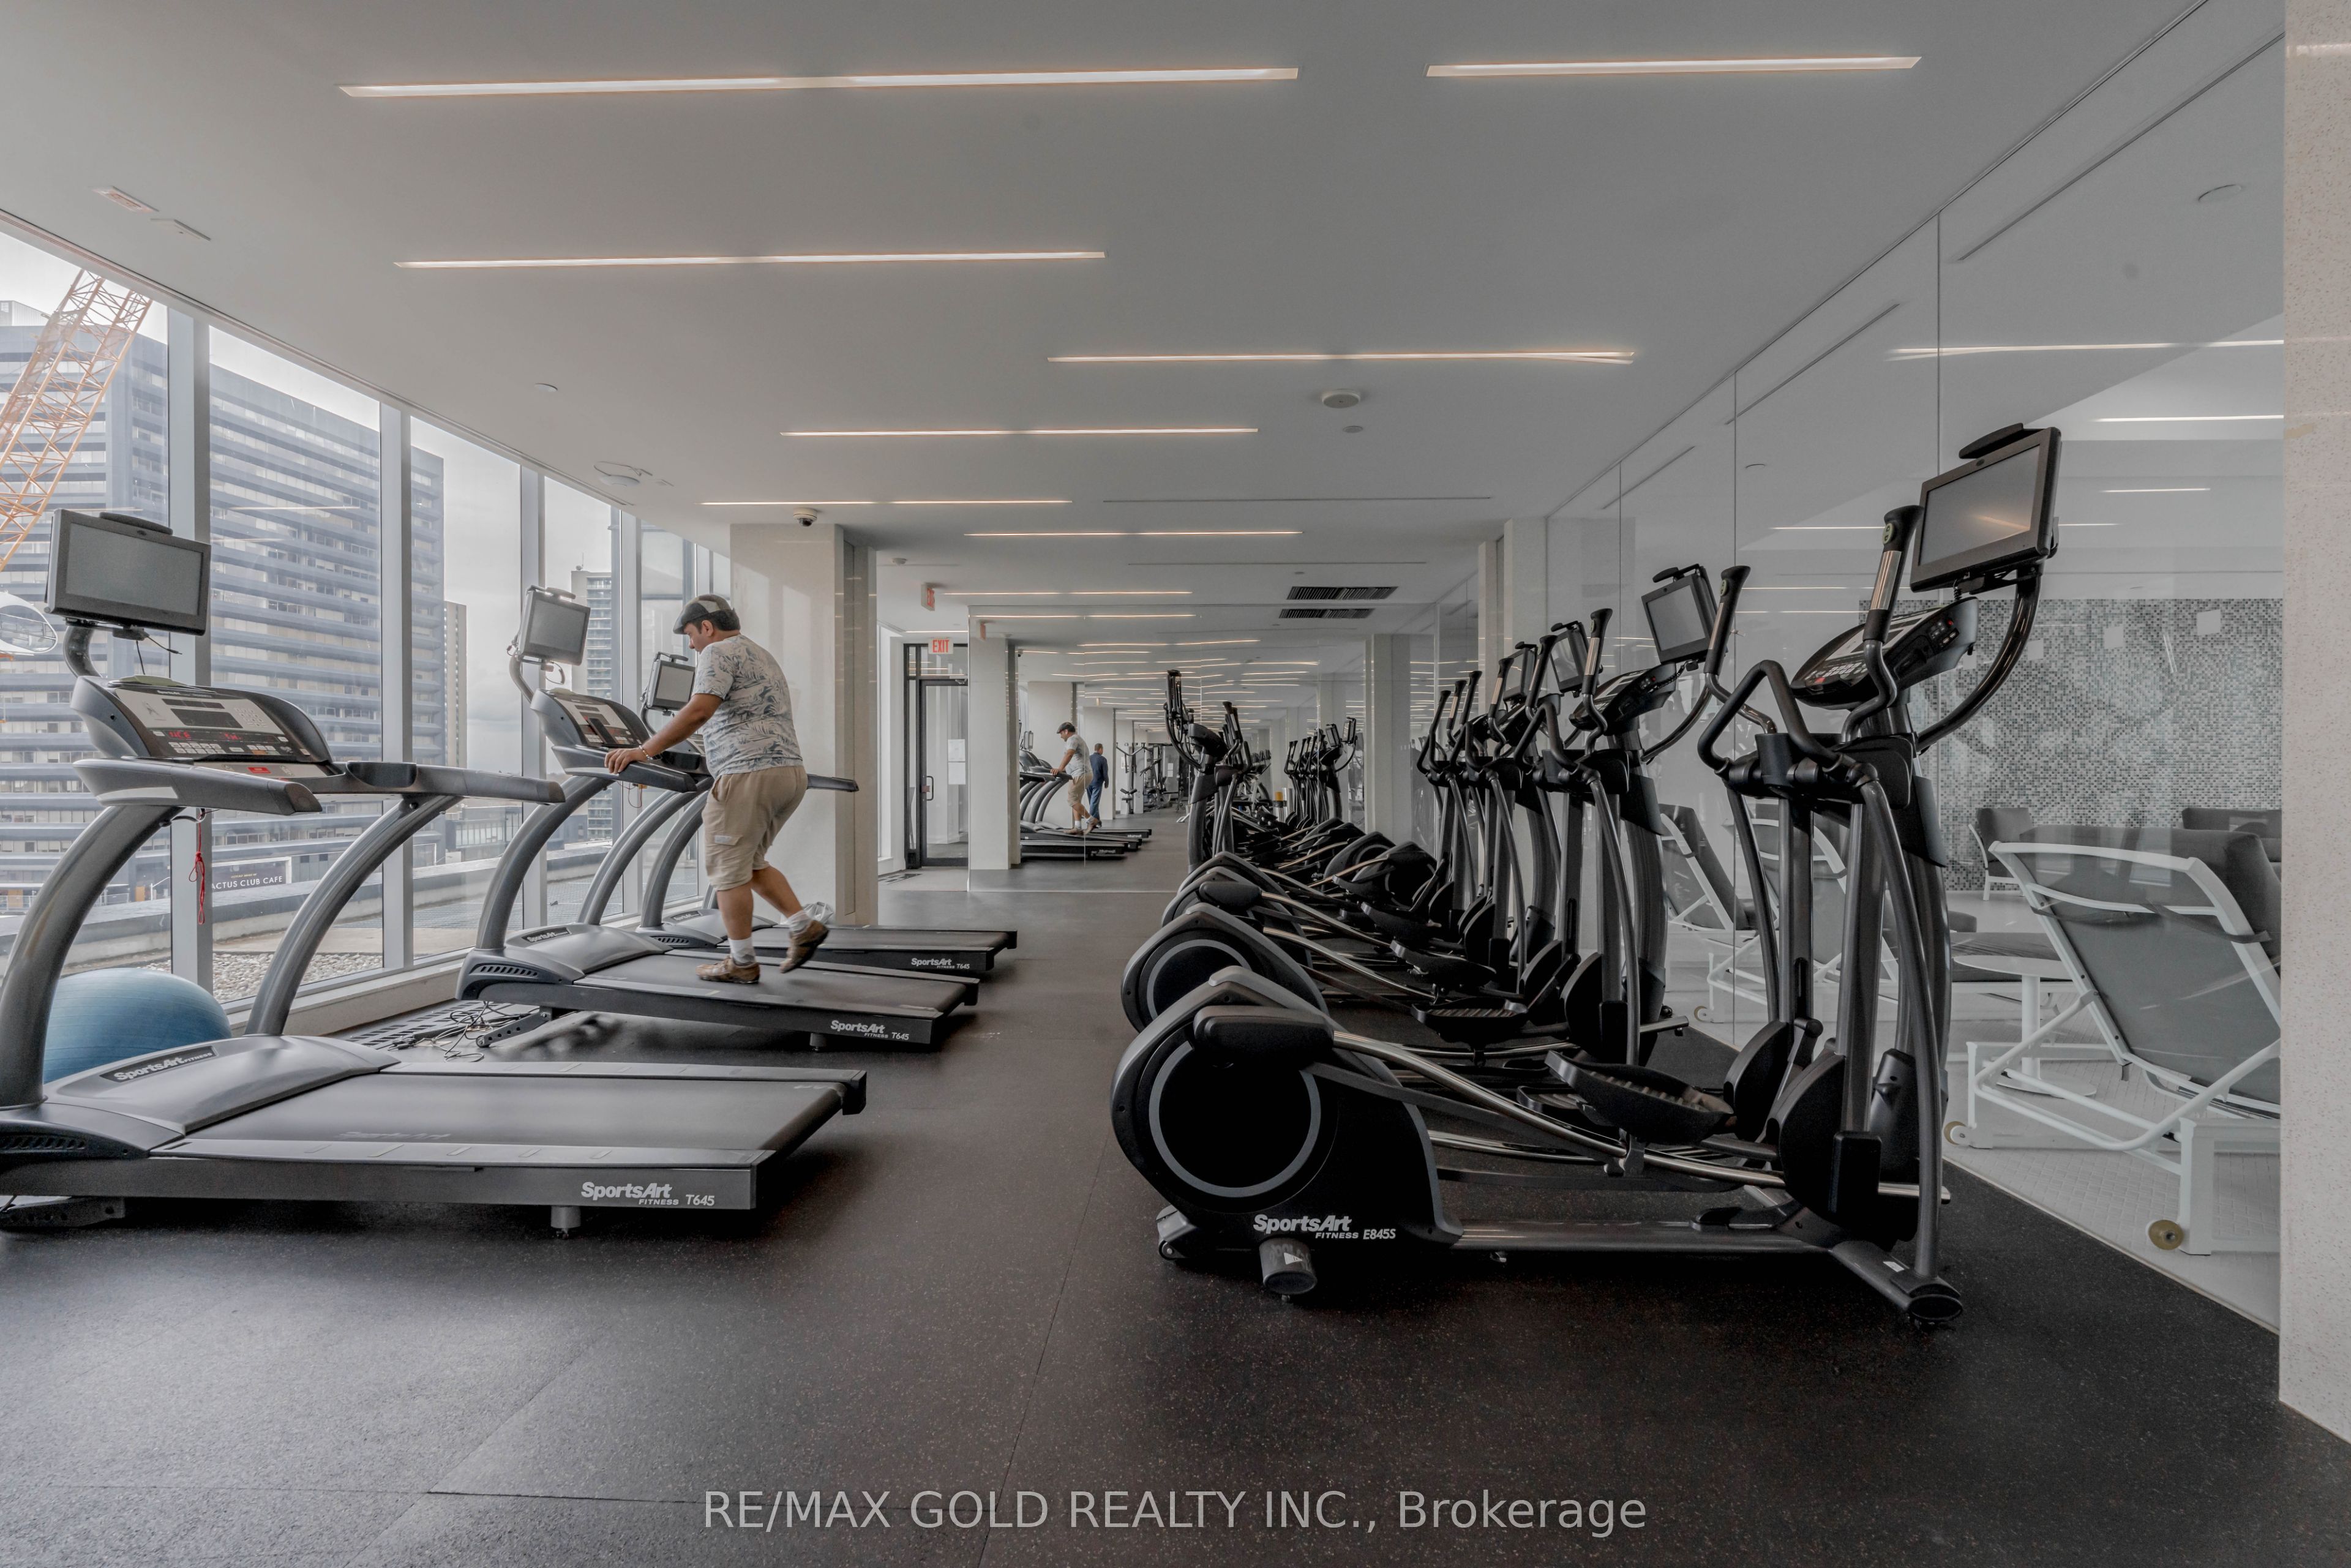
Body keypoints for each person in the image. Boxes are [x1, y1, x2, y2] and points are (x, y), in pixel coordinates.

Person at [603, 594, 827, 982]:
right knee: (750, 863)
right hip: (789, 772)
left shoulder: (717, 652)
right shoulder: (760, 654)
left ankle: (741, 962)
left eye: (691, 635)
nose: (692, 645)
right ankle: (802, 925)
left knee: (726, 871)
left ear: (707, 627)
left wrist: (644, 751)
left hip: (747, 773)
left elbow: (699, 710)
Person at [1054, 721, 1099, 834]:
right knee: (1076, 801)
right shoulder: (1078, 739)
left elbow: (1070, 754)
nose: (1061, 737)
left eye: (1061, 734)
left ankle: (1092, 820)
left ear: (1066, 731)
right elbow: (1076, 759)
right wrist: (1065, 770)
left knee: (1071, 800)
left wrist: (1060, 769)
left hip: (1080, 774)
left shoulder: (1072, 739)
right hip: (1083, 773)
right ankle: (1078, 827)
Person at [1088, 743, 1110, 825]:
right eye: (1103, 749)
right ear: (1100, 749)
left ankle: (1097, 821)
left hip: (1088, 783)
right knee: (1094, 803)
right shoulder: (1102, 759)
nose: (1103, 751)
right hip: (1097, 783)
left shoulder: (1088, 758)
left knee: (1093, 803)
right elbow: (1105, 773)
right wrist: (1107, 783)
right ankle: (1090, 820)